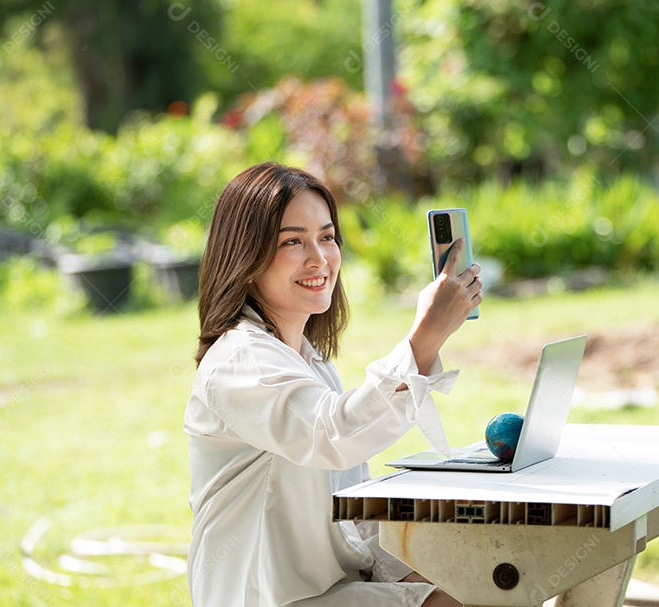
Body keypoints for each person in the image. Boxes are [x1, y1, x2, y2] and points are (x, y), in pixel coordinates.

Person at [184, 162, 482, 606]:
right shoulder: (240, 359)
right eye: (292, 241)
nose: (319, 258)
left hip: (330, 588)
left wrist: (423, 581)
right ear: (245, 258)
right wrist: (425, 337)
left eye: (326, 237)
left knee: (487, 588)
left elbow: (350, 511)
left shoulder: (310, 361)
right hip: (268, 598)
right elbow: (333, 434)